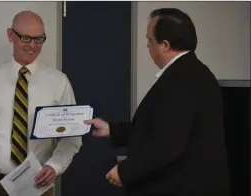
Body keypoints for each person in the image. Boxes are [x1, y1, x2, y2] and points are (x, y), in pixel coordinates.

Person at [85, 8, 230, 196]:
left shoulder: (181, 80)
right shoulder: (193, 72)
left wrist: (125, 171)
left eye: (149, 40)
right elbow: (159, 128)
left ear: (165, 45)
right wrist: (112, 130)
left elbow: (166, 145)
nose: (147, 46)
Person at [0, 10, 82, 196]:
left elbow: (71, 136)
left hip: (39, 185)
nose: (33, 45)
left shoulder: (59, 82)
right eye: (26, 38)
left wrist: (54, 166)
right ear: (11, 35)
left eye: (39, 39)